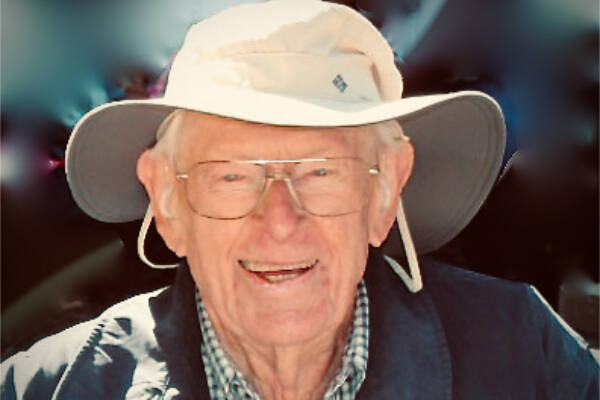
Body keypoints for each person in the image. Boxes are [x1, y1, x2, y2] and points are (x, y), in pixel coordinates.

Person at [1, 1, 598, 399]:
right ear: (169, 204)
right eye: (232, 176)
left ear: (384, 192)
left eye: (321, 172)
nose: (281, 221)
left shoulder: (527, 355)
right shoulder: (52, 387)